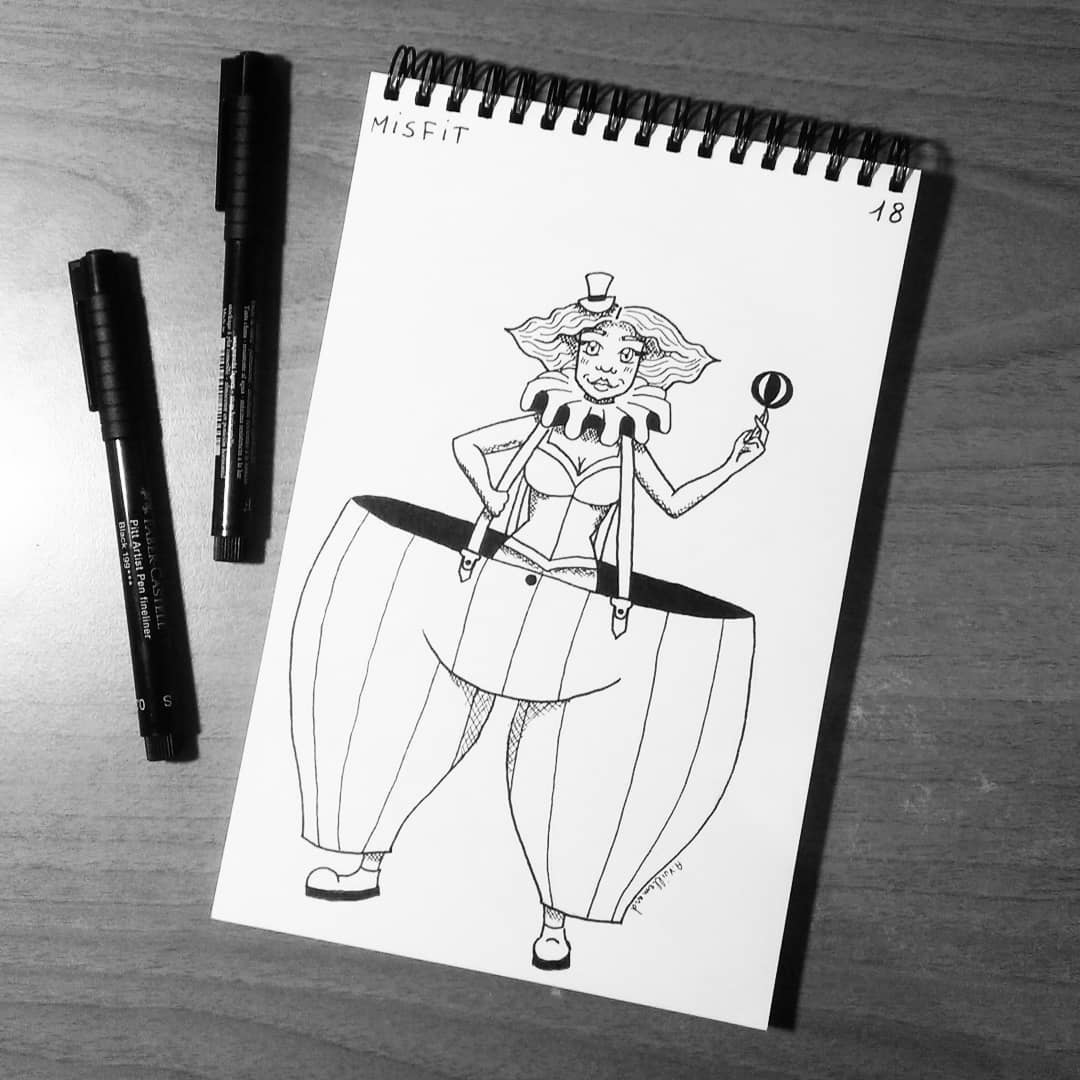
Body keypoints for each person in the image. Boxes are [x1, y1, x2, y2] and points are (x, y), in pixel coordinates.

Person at [301, 273, 767, 971]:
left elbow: (671, 504)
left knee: (561, 763)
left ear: (642, 371)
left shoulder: (629, 449)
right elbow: (466, 447)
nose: (606, 368)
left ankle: (556, 921)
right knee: (429, 722)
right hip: (498, 580)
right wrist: (491, 494)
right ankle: (365, 863)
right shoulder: (541, 425)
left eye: (625, 357)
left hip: (575, 601)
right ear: (570, 355)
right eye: (594, 352)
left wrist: (733, 462)